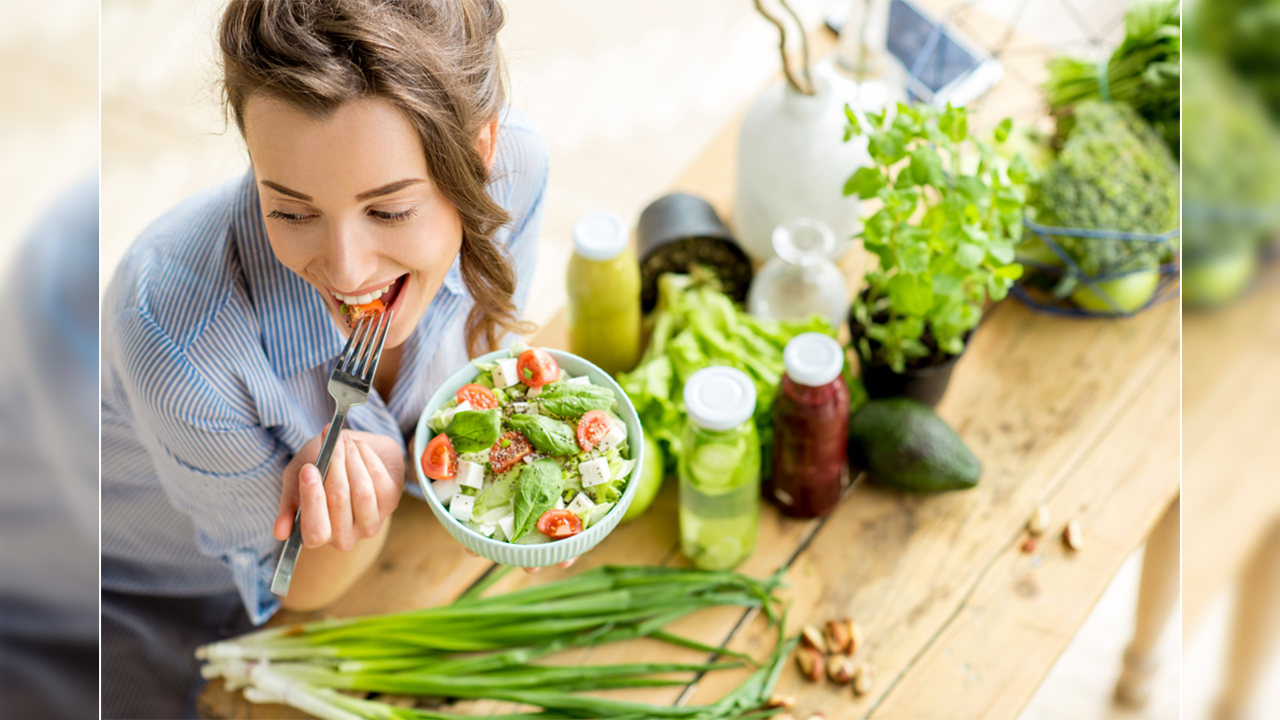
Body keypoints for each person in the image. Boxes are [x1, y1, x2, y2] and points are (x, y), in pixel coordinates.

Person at [100, 1, 551, 716]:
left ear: (481, 152)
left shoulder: (516, 172)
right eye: (291, 210)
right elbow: (294, 586)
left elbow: (478, 377)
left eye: (390, 211)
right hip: (133, 601)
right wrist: (352, 500)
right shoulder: (172, 335)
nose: (344, 270)